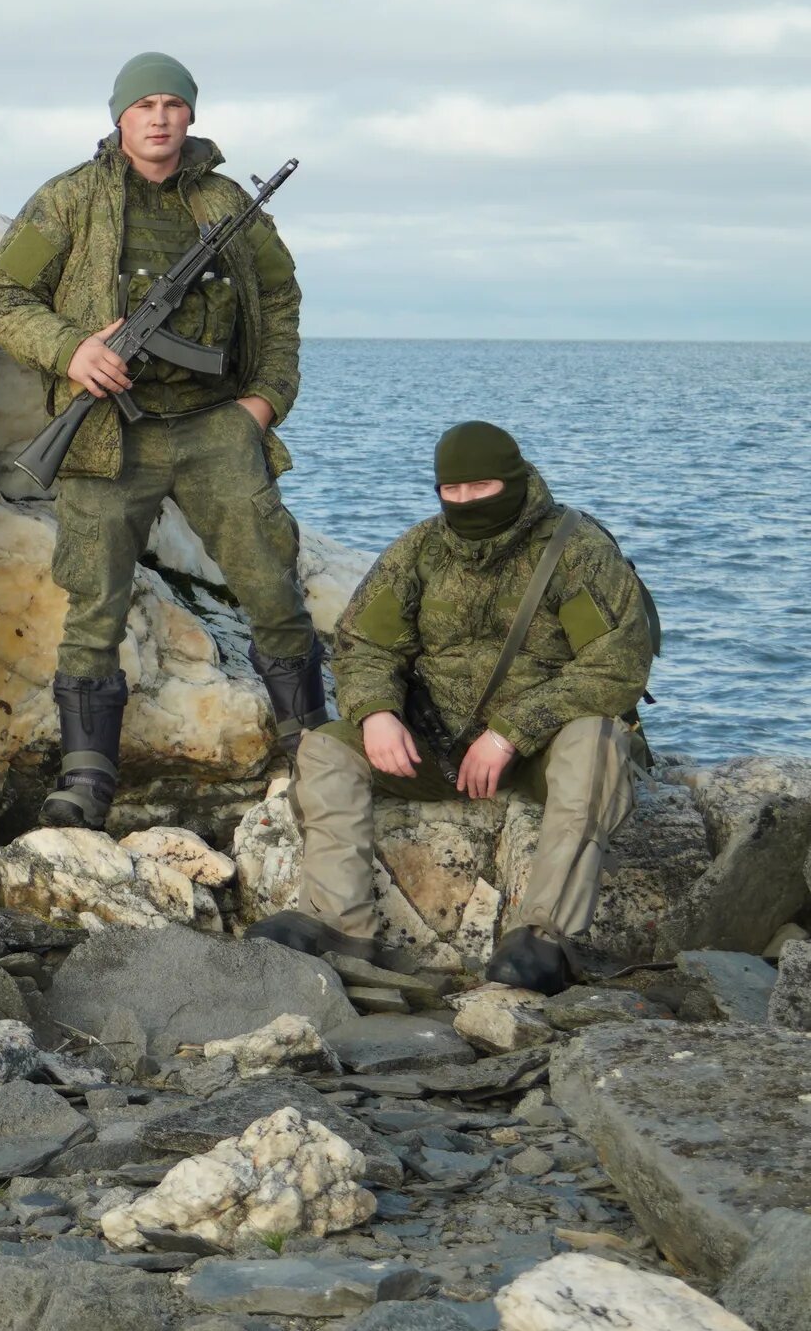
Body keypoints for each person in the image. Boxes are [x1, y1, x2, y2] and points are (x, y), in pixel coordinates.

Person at [0, 53, 321, 830]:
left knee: (270, 576)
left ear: (190, 116)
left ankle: (308, 741)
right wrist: (72, 350)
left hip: (214, 426)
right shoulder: (71, 198)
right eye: (145, 105)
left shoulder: (227, 201)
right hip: (104, 433)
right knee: (93, 601)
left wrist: (266, 400)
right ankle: (86, 775)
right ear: (120, 117)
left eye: (173, 104)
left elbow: (279, 296)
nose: (160, 118)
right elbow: (3, 294)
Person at [251, 423, 655, 992]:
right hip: (434, 744)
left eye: (481, 487)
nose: (465, 502)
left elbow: (618, 665)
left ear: (513, 481)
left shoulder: (579, 553)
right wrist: (377, 713)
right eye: (451, 491)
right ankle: (337, 923)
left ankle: (543, 937)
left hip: (540, 751)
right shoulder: (419, 549)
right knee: (323, 747)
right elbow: (363, 642)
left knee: (597, 742)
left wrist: (511, 732)